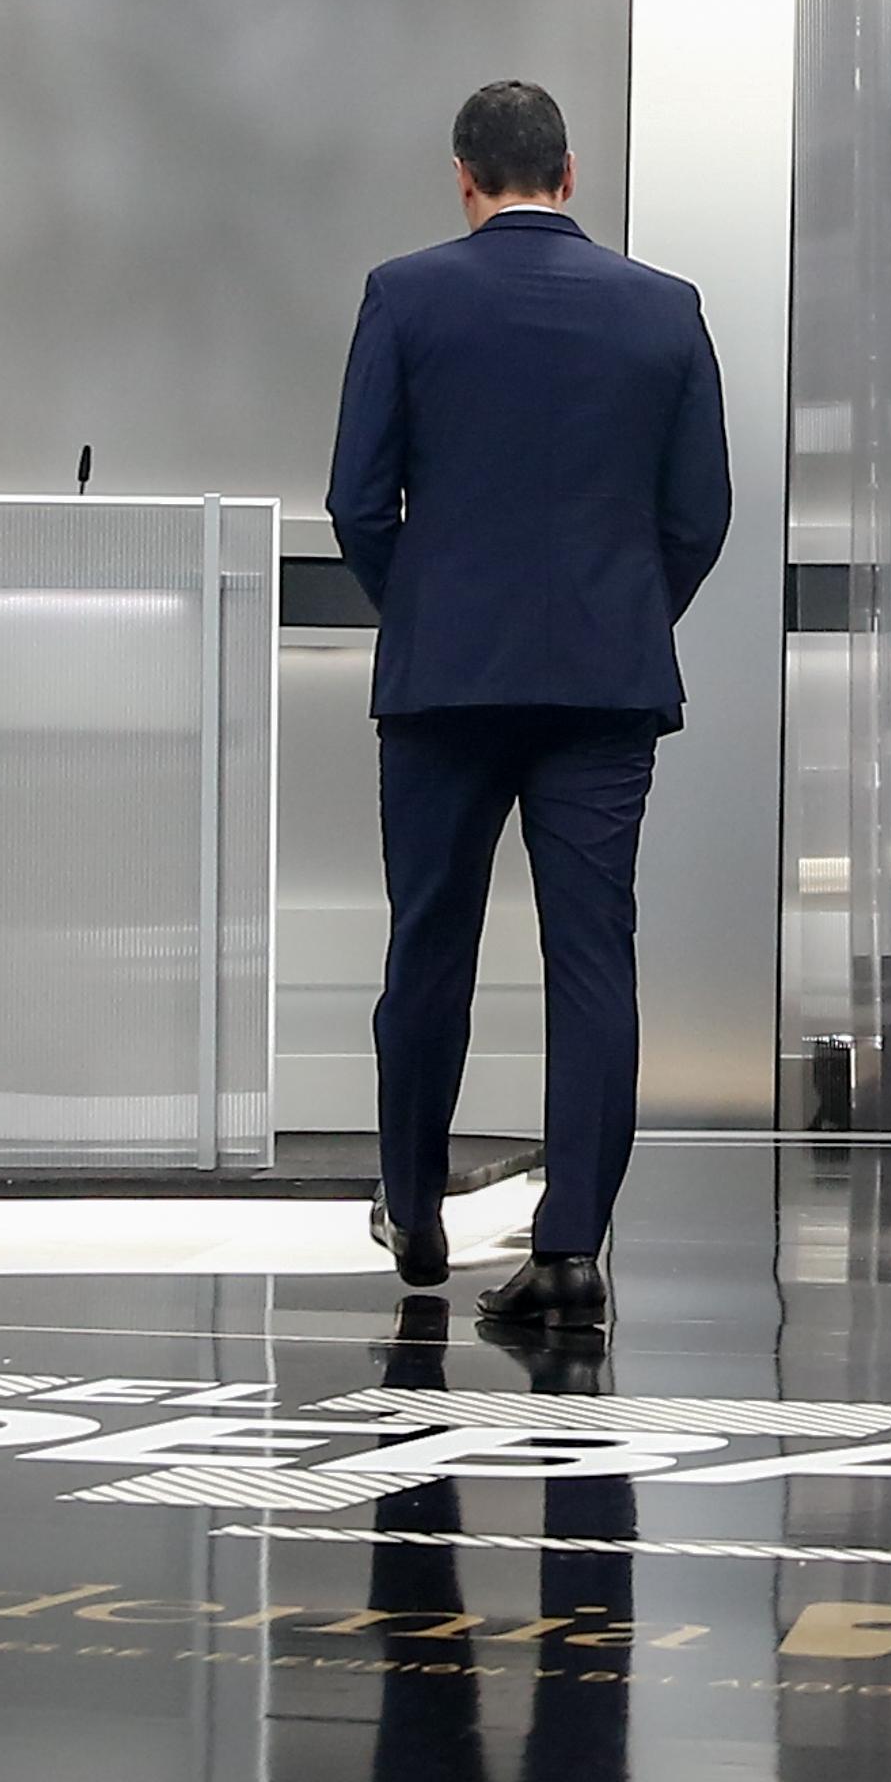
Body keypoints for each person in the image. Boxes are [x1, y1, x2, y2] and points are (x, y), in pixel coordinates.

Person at [325, 79, 731, 1334]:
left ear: (464, 178)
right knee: (592, 957)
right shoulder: (666, 311)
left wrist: (430, 607)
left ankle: (414, 1202)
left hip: (444, 683)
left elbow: (357, 500)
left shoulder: (405, 294)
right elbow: (698, 513)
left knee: (429, 942)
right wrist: (622, 618)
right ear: (569, 172)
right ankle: (569, 1249)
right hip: (602, 688)